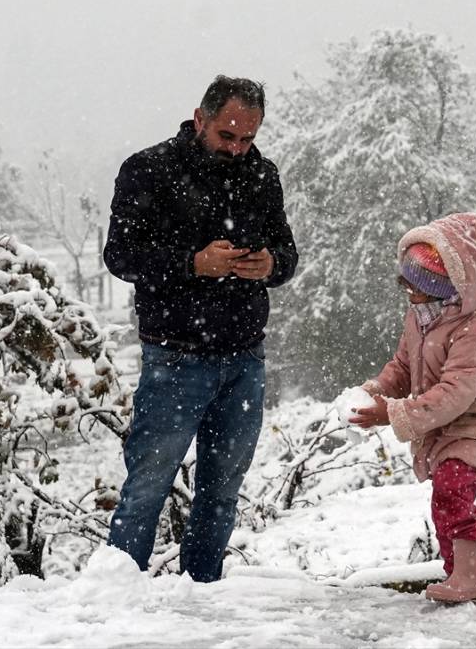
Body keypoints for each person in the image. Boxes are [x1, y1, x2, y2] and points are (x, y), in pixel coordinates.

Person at [103, 75, 298, 582]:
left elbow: (288, 255)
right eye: (226, 136)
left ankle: (202, 596)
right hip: (174, 354)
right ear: (200, 120)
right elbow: (120, 256)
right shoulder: (149, 170)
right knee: (147, 484)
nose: (237, 148)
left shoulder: (262, 175)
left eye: (248, 138)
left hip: (244, 358)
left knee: (222, 491)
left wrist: (269, 264)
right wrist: (193, 263)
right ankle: (114, 603)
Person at [349, 212, 476, 603]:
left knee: (452, 490)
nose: (410, 294)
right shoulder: (420, 317)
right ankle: (456, 575)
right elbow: (404, 366)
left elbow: (455, 393)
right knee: (444, 497)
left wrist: (392, 414)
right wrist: (375, 390)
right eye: (406, 285)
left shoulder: (474, 330)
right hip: (447, 424)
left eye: (419, 287)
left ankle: (470, 579)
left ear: (447, 287)